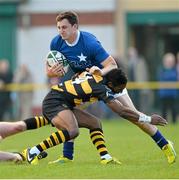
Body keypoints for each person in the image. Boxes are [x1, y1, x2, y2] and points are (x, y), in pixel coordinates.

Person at [0, 11, 176, 165]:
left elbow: (112, 64)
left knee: (133, 116)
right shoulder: (57, 43)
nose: (60, 31)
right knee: (68, 112)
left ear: (75, 27)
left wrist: (99, 72)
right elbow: (49, 70)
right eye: (58, 27)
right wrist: (51, 72)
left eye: (64, 27)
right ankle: (67, 157)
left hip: (108, 83)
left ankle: (165, 145)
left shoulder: (89, 42)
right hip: (87, 85)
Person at [21, 68, 167, 165]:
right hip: (55, 101)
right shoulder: (101, 87)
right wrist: (148, 119)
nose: (119, 92)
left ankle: (105, 158)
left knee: (95, 123)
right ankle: (32, 151)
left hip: (63, 101)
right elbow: (122, 111)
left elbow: (78, 75)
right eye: (119, 89)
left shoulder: (98, 77)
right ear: (110, 84)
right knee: (73, 131)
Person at [157, 53, 178, 124]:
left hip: (172, 93)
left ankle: (174, 122)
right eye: (168, 61)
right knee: (164, 109)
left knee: (174, 109)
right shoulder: (161, 69)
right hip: (164, 93)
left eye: (171, 61)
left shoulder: (175, 70)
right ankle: (164, 122)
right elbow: (161, 77)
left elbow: (174, 78)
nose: (169, 62)